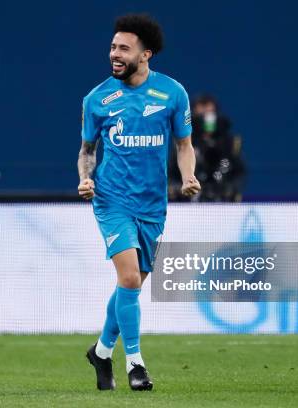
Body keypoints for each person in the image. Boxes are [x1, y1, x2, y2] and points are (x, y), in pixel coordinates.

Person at [78, 14, 200, 391]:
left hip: (153, 205)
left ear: (145, 54)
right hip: (112, 200)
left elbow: (184, 145)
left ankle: (100, 352)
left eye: (123, 49)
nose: (114, 54)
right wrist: (84, 177)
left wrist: (188, 175)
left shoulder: (172, 93)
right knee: (129, 277)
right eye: (113, 47)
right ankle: (135, 364)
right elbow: (86, 150)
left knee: (130, 286)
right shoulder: (96, 99)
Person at [169, 94, 245, 202]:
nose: (206, 119)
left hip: (222, 200)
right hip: (190, 200)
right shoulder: (184, 143)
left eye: (210, 114)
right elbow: (171, 174)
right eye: (201, 114)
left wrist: (230, 188)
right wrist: (178, 188)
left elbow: (239, 173)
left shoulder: (229, 143)